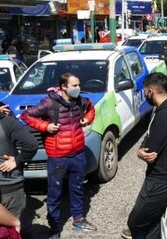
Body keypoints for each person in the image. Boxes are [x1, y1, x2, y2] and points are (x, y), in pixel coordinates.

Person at [20, 73, 96, 239]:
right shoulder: (49, 102)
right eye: (74, 85)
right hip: (58, 156)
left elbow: (91, 109)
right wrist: (45, 126)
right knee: (54, 192)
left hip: (77, 154)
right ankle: (54, 228)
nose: (78, 88)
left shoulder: (79, 100)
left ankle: (78, 220)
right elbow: (26, 116)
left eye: (78, 85)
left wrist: (87, 120)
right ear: (63, 86)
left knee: (77, 188)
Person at [122, 73, 167, 239]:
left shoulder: (166, 115)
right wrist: (144, 146)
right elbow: (148, 136)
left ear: (151, 90)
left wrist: (139, 152)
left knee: (135, 222)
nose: (145, 95)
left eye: (145, 91)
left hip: (163, 180)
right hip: (166, 177)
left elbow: (149, 150)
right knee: (153, 223)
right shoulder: (166, 108)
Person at [0, 101, 38, 223]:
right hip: (8, 184)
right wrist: (18, 160)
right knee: (13, 229)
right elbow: (31, 145)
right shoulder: (7, 122)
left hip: (7, 184)